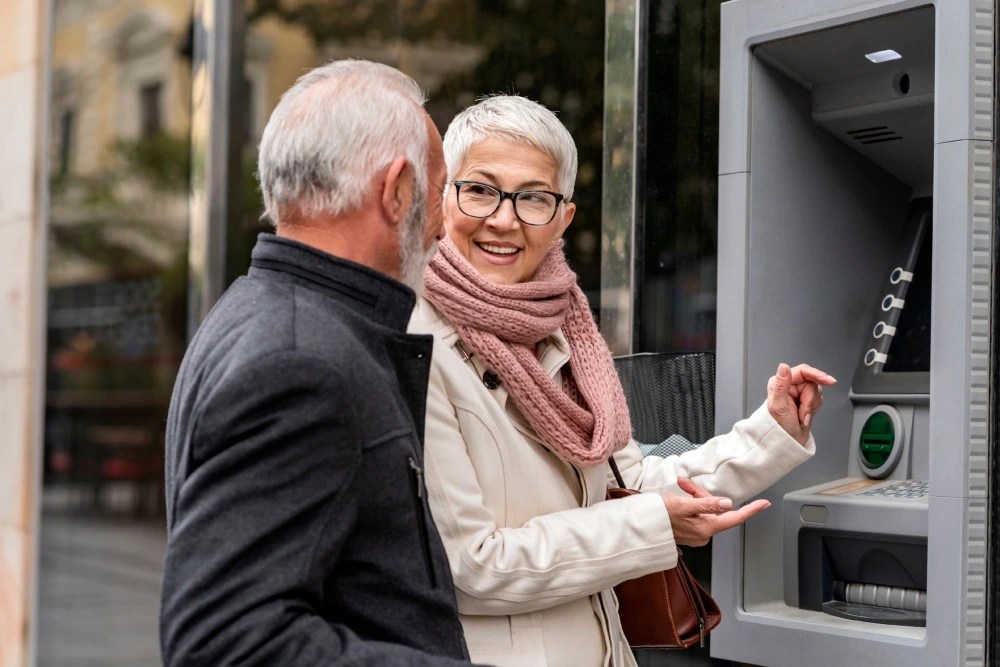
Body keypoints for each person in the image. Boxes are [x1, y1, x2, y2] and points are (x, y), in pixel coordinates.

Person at [409, 95, 837, 667]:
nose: (504, 219)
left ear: (563, 218)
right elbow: (468, 567)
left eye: (533, 197)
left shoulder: (562, 334)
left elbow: (628, 482)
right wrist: (650, 523)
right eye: (481, 189)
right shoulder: (416, 345)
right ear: (443, 198)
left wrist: (769, 435)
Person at [160, 60, 474, 666]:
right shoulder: (304, 361)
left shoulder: (269, 315)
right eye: (440, 193)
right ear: (397, 190)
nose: (442, 227)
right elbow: (224, 645)